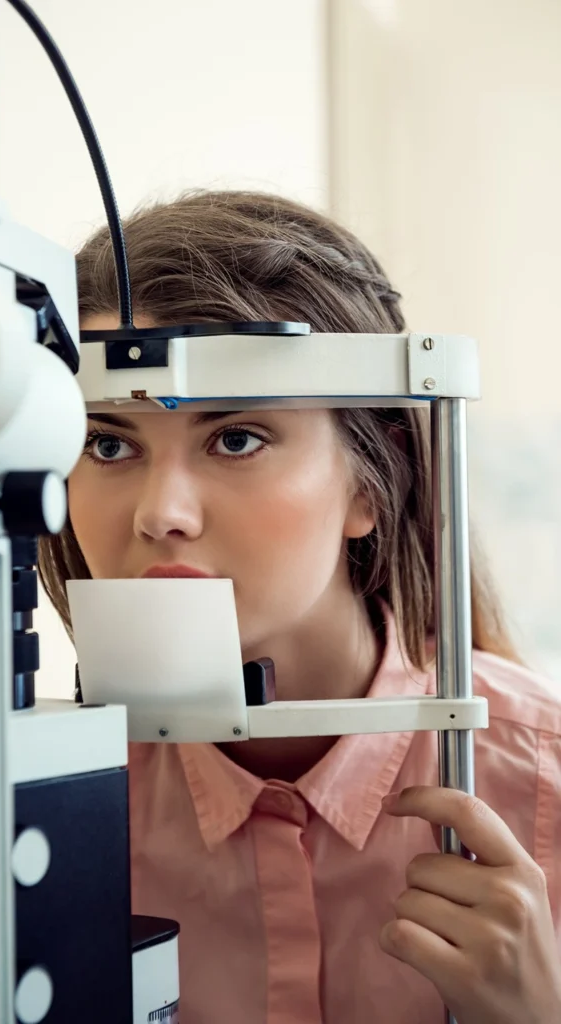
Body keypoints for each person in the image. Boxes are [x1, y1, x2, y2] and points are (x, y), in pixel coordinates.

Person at [39, 190, 561, 1024]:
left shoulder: (542, 781)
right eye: (109, 444)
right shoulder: (39, 810)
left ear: (372, 478)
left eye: (236, 438)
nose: (160, 512)